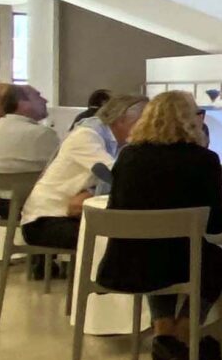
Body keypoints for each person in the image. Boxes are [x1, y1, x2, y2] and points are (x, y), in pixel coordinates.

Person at [94, 90, 222, 360]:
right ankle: (184, 332)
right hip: (178, 262)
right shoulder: (202, 160)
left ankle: (163, 335)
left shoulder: (128, 157)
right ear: (190, 120)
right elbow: (214, 223)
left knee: (156, 248)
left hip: (125, 262)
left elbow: (116, 209)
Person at [19, 92, 143, 256]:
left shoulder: (117, 143)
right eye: (144, 121)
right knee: (118, 238)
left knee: (130, 234)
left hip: (70, 214)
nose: (149, 128)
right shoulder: (87, 136)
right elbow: (118, 176)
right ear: (121, 120)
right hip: (44, 220)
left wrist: (90, 193)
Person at [0, 83, 60, 176]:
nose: (45, 100)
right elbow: (62, 166)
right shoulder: (42, 133)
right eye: (38, 96)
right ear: (23, 103)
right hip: (35, 185)